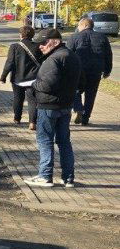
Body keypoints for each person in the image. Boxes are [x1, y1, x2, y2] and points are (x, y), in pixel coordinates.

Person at [25, 29, 82, 188]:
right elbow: (81, 82)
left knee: (45, 140)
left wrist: (32, 84)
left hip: (49, 106)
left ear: (55, 41)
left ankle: (45, 176)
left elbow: (46, 85)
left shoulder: (53, 59)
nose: (40, 47)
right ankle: (68, 178)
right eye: (39, 44)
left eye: (43, 43)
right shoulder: (73, 57)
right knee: (64, 142)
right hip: (65, 106)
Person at [66, 18, 112, 125]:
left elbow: (68, 54)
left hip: (79, 69)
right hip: (96, 70)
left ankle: (78, 108)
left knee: (75, 89)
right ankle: (85, 118)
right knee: (91, 94)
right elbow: (108, 55)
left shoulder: (74, 37)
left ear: (85, 25)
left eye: (79, 26)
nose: (78, 28)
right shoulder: (102, 37)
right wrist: (107, 71)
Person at [0, 26, 41, 130]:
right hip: (33, 78)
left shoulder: (14, 46)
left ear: (21, 35)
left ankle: (17, 119)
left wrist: (3, 76)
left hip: (18, 79)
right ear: (32, 35)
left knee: (18, 98)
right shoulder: (38, 46)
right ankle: (32, 122)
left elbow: (9, 63)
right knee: (33, 101)